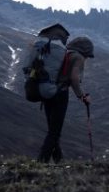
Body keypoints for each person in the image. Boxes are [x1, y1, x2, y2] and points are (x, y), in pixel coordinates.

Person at [38, 34, 95, 163]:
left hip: (48, 92)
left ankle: (59, 161)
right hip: (60, 94)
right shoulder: (78, 57)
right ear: (85, 50)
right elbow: (74, 78)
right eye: (88, 55)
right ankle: (41, 161)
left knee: (53, 130)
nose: (87, 58)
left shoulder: (64, 54)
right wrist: (82, 96)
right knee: (55, 132)